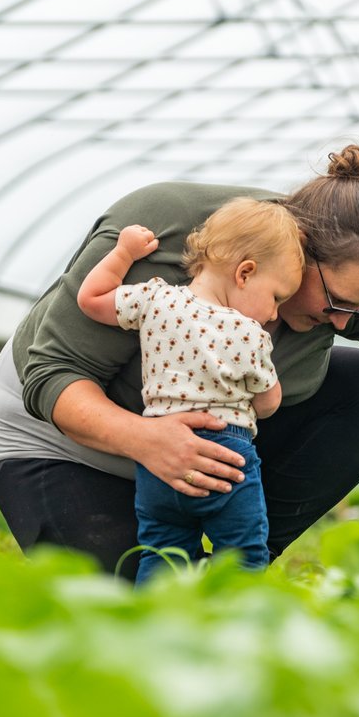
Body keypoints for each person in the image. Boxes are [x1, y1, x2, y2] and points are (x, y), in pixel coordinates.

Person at [0, 144, 359, 581]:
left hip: (209, 439)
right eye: (336, 302)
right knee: (136, 612)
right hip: (65, 442)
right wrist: (146, 440)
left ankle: (241, 560)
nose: (343, 322)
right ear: (297, 250)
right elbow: (52, 375)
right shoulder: (164, 231)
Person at [74, 198, 304, 584]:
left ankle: (157, 615)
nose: (274, 313)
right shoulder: (250, 333)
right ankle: (238, 615)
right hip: (225, 459)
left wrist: (123, 252)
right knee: (244, 555)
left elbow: (91, 299)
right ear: (245, 273)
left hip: (159, 458)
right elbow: (269, 403)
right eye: (277, 297)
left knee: (162, 551)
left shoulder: (157, 300)